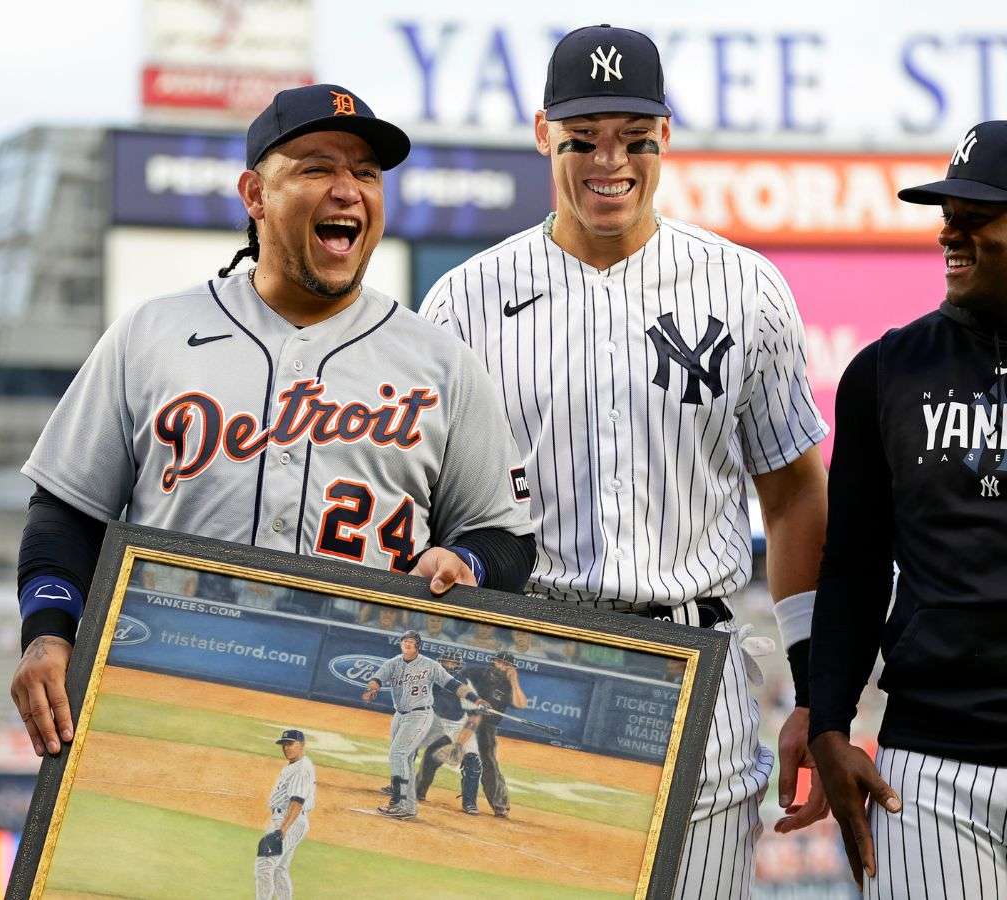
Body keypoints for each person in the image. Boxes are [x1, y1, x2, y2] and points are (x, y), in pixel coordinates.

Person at [421, 25, 830, 892]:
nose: (612, 162)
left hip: (696, 655)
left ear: (665, 136)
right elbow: (436, 502)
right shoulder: (466, 300)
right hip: (532, 654)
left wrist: (813, 685)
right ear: (542, 134)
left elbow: (793, 492)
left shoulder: (744, 288)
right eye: (583, 140)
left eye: (634, 139)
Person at [9, 84, 536, 756]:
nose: (348, 189)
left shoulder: (442, 363)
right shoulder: (154, 334)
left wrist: (465, 563)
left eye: (367, 174)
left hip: (358, 709)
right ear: (255, 195)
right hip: (162, 685)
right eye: (318, 167)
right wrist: (47, 634)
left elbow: (506, 540)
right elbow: (66, 510)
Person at [809, 120, 1007, 895]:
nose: (949, 232)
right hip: (932, 767)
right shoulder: (886, 370)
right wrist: (828, 719)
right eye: (945, 211)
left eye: (978, 212)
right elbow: (854, 566)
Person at [360, 631, 485, 818]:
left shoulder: (430, 665)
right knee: (406, 758)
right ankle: (408, 807)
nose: (407, 644)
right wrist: (372, 689)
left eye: (411, 642)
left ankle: (398, 802)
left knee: (398, 754)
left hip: (420, 714)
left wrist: (476, 700)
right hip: (400, 715)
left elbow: (454, 685)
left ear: (418, 645)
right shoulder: (392, 663)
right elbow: (377, 679)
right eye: (404, 641)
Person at [412, 647, 482, 814]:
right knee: (411, 745)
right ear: (440, 662)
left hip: (457, 725)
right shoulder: (430, 679)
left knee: (473, 760)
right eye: (446, 661)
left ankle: (469, 803)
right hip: (434, 722)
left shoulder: (464, 684)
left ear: (458, 665)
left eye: (453, 663)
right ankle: (404, 787)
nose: (448, 665)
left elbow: (474, 718)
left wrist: (459, 744)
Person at [466, 650, 528, 818]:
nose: (502, 666)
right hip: (463, 719)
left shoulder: (508, 684)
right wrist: (473, 701)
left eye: (506, 665)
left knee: (488, 762)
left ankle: (499, 805)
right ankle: (414, 788)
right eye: (500, 662)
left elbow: (521, 704)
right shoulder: (477, 673)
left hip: (486, 727)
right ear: (493, 661)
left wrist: (514, 681)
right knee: (436, 748)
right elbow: (455, 684)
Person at [255, 728, 316, 900]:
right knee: (279, 869)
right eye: (284, 744)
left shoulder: (302, 769)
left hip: (288, 821)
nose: (286, 748)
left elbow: (297, 801)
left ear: (302, 745)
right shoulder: (296, 765)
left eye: (290, 744)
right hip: (289, 820)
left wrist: (282, 829)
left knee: (265, 866)